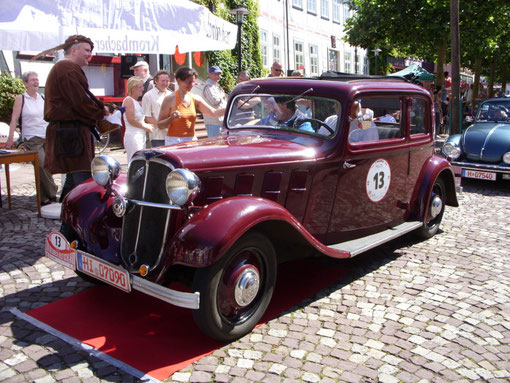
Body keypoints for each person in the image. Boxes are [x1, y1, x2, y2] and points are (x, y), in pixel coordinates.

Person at [44, 34, 108, 203]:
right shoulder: (66, 69)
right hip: (71, 134)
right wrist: (102, 112)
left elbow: (82, 99)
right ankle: (78, 224)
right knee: (84, 185)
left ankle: (67, 226)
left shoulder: (66, 69)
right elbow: (81, 102)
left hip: (72, 133)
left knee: (74, 181)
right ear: (74, 50)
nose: (89, 54)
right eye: (86, 50)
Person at [6, 71, 58, 205]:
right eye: (32, 80)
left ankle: (43, 198)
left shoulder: (42, 98)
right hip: (32, 138)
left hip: (47, 136)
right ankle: (53, 192)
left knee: (47, 166)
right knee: (41, 165)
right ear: (25, 83)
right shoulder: (21, 99)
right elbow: (14, 119)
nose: (36, 82)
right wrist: (10, 137)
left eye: (37, 79)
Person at [157, 67, 225, 146]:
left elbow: (213, 113)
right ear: (179, 80)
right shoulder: (170, 99)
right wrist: (171, 118)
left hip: (191, 139)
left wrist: (231, 108)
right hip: (174, 141)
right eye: (188, 82)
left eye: (193, 82)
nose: (191, 85)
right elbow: (160, 125)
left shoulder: (195, 98)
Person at [123, 77, 154, 161]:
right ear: (133, 88)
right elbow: (131, 120)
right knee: (135, 160)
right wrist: (145, 127)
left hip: (140, 135)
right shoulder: (128, 100)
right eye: (140, 87)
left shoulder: (136, 102)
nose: (143, 89)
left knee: (140, 160)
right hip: (133, 135)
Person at [142, 70, 172, 147]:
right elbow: (147, 118)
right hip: (158, 137)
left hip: (172, 135)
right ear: (156, 81)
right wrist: (163, 125)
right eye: (162, 81)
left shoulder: (171, 95)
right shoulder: (148, 96)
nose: (165, 83)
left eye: (167, 81)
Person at [202, 66, 227, 138]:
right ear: (209, 74)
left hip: (220, 121)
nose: (218, 76)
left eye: (219, 74)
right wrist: (222, 95)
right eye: (216, 74)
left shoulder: (217, 86)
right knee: (215, 144)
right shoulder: (208, 87)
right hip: (213, 122)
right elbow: (214, 101)